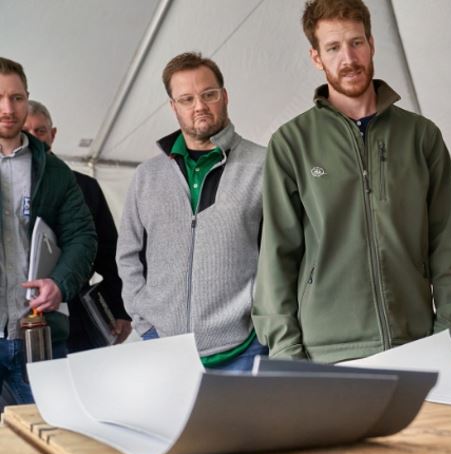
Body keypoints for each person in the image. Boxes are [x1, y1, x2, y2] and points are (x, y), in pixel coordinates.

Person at [252, 0, 451, 363]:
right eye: (333, 48)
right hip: (326, 355)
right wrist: (288, 354)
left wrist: (448, 335)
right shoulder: (292, 143)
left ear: (371, 44)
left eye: (356, 43)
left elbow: (446, 243)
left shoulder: (421, 136)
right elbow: (276, 256)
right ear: (316, 57)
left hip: (414, 346)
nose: (348, 58)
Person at [117, 52, 267, 372]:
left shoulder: (264, 166)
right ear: (173, 107)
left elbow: (281, 255)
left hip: (242, 350)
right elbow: (127, 255)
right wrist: (145, 322)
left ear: (224, 96)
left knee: (239, 425)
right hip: (163, 351)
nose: (199, 106)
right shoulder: (147, 176)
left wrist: (259, 319)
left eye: (208, 94)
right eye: (186, 98)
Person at [0, 57, 96, 403]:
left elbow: (82, 236)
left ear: (27, 99)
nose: (8, 108)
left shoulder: (53, 169)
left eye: (17, 98)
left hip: (38, 334)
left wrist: (59, 283)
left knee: (47, 441)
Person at [24, 100, 131, 351]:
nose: (35, 138)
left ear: (53, 134)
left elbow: (108, 252)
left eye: (40, 130)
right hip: (17, 315)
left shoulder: (84, 186)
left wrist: (119, 309)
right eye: (27, 132)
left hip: (76, 314)